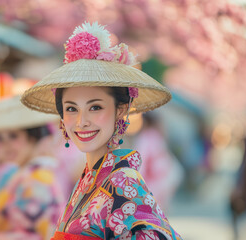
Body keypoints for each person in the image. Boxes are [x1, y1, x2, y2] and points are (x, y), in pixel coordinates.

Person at [22, 22, 182, 239]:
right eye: (71, 109)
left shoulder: (123, 183)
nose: (81, 121)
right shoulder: (89, 179)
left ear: (120, 110)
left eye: (95, 107)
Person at [0, 96, 65, 240]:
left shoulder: (38, 179)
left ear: (32, 137)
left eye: (14, 136)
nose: (6, 145)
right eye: (1, 138)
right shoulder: (25, 174)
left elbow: (35, 235)